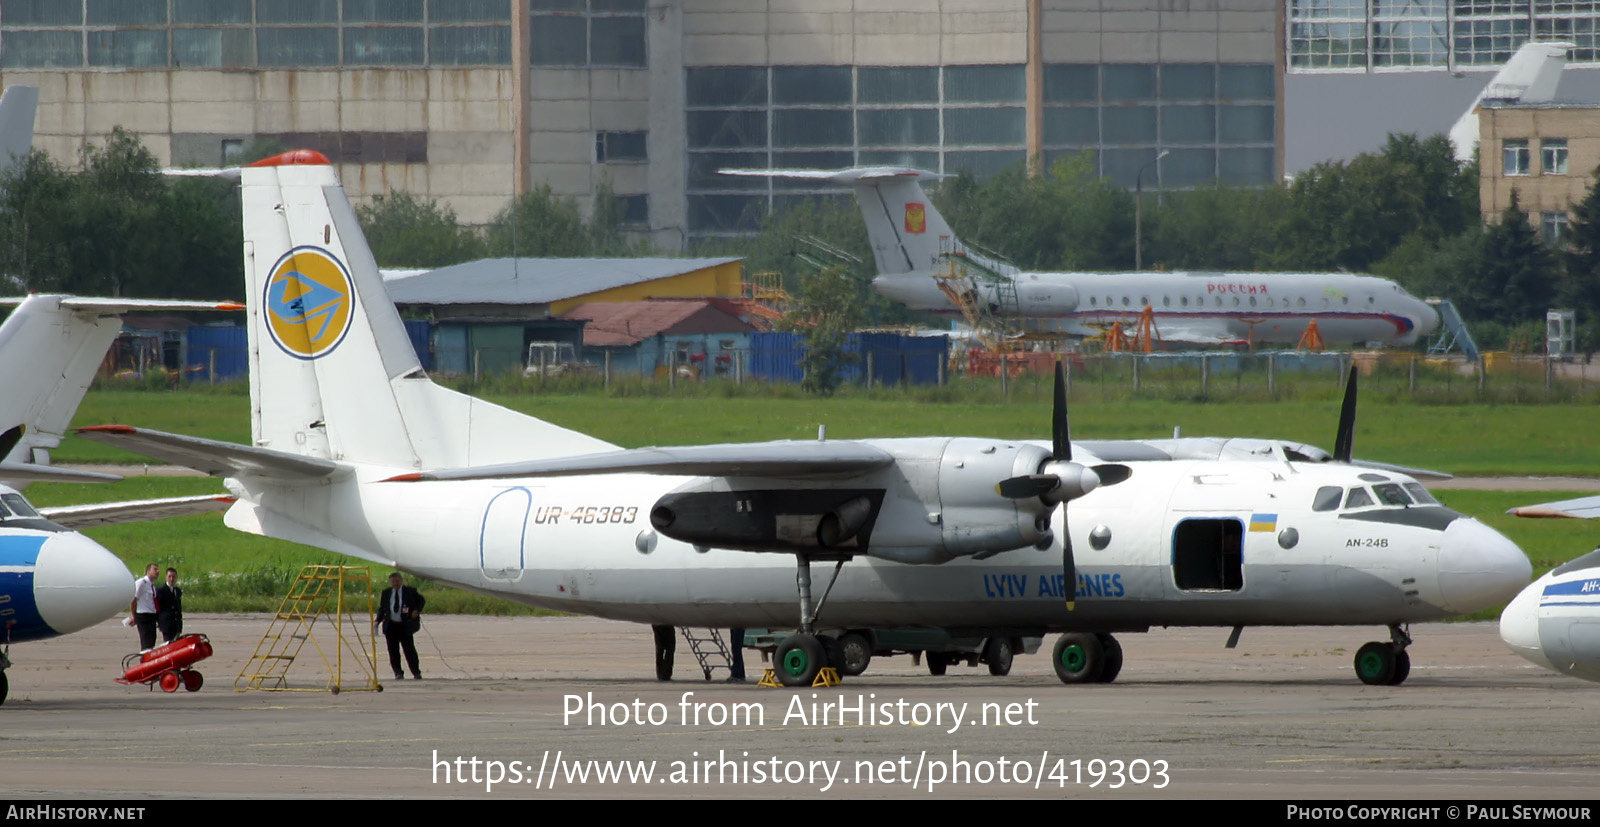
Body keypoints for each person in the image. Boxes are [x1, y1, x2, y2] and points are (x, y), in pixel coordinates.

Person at [378, 572, 425, 680]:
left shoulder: (410, 591)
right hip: (391, 626)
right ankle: (398, 672)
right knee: (393, 651)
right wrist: (378, 620)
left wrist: (416, 611)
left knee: (409, 650)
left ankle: (416, 672)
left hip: (404, 626)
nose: (395, 583)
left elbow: (421, 600)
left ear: (401, 581)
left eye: (397, 581)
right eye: (393, 582)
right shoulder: (386, 593)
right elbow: (382, 608)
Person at [128, 563, 159, 651]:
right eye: (155, 569)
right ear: (148, 571)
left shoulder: (151, 585)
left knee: (152, 641)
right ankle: (144, 661)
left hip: (152, 616)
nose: (157, 571)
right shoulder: (142, 583)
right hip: (143, 615)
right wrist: (134, 616)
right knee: (146, 642)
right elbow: (133, 600)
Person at [155, 567, 183, 643]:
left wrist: (180, 623)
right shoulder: (161, 590)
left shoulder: (178, 590)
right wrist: (159, 621)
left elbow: (178, 607)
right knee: (168, 643)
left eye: (173, 577)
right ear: (166, 577)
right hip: (166, 623)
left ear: (176, 577)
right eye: (169, 576)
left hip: (176, 623)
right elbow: (157, 607)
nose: (171, 579)